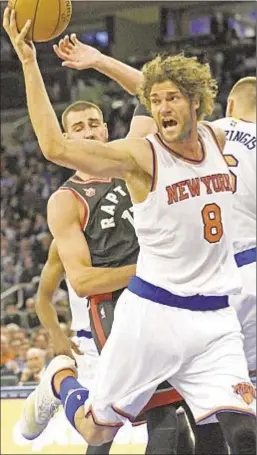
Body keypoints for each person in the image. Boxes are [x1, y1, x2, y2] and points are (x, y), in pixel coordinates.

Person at [3, 9, 256, 454]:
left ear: (195, 101)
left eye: (171, 99)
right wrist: (28, 61)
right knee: (97, 431)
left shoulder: (217, 140)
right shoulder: (139, 155)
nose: (161, 109)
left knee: (243, 434)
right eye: (154, 102)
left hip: (216, 318)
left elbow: (153, 86)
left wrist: (99, 60)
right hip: (151, 317)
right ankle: (60, 380)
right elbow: (54, 147)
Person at [34, 99, 195, 454]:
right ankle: (61, 381)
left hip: (166, 296)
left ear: (107, 129)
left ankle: (61, 384)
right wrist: (56, 334)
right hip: (112, 312)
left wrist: (96, 60)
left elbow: (149, 93)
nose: (90, 131)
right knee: (139, 418)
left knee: (154, 417)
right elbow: (78, 284)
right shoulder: (68, 200)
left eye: (94, 123)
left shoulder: (132, 161)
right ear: (66, 137)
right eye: (79, 128)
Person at [213, 77, 256, 384]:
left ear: (229, 106)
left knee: (221, 381)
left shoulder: (205, 133)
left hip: (212, 277)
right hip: (253, 264)